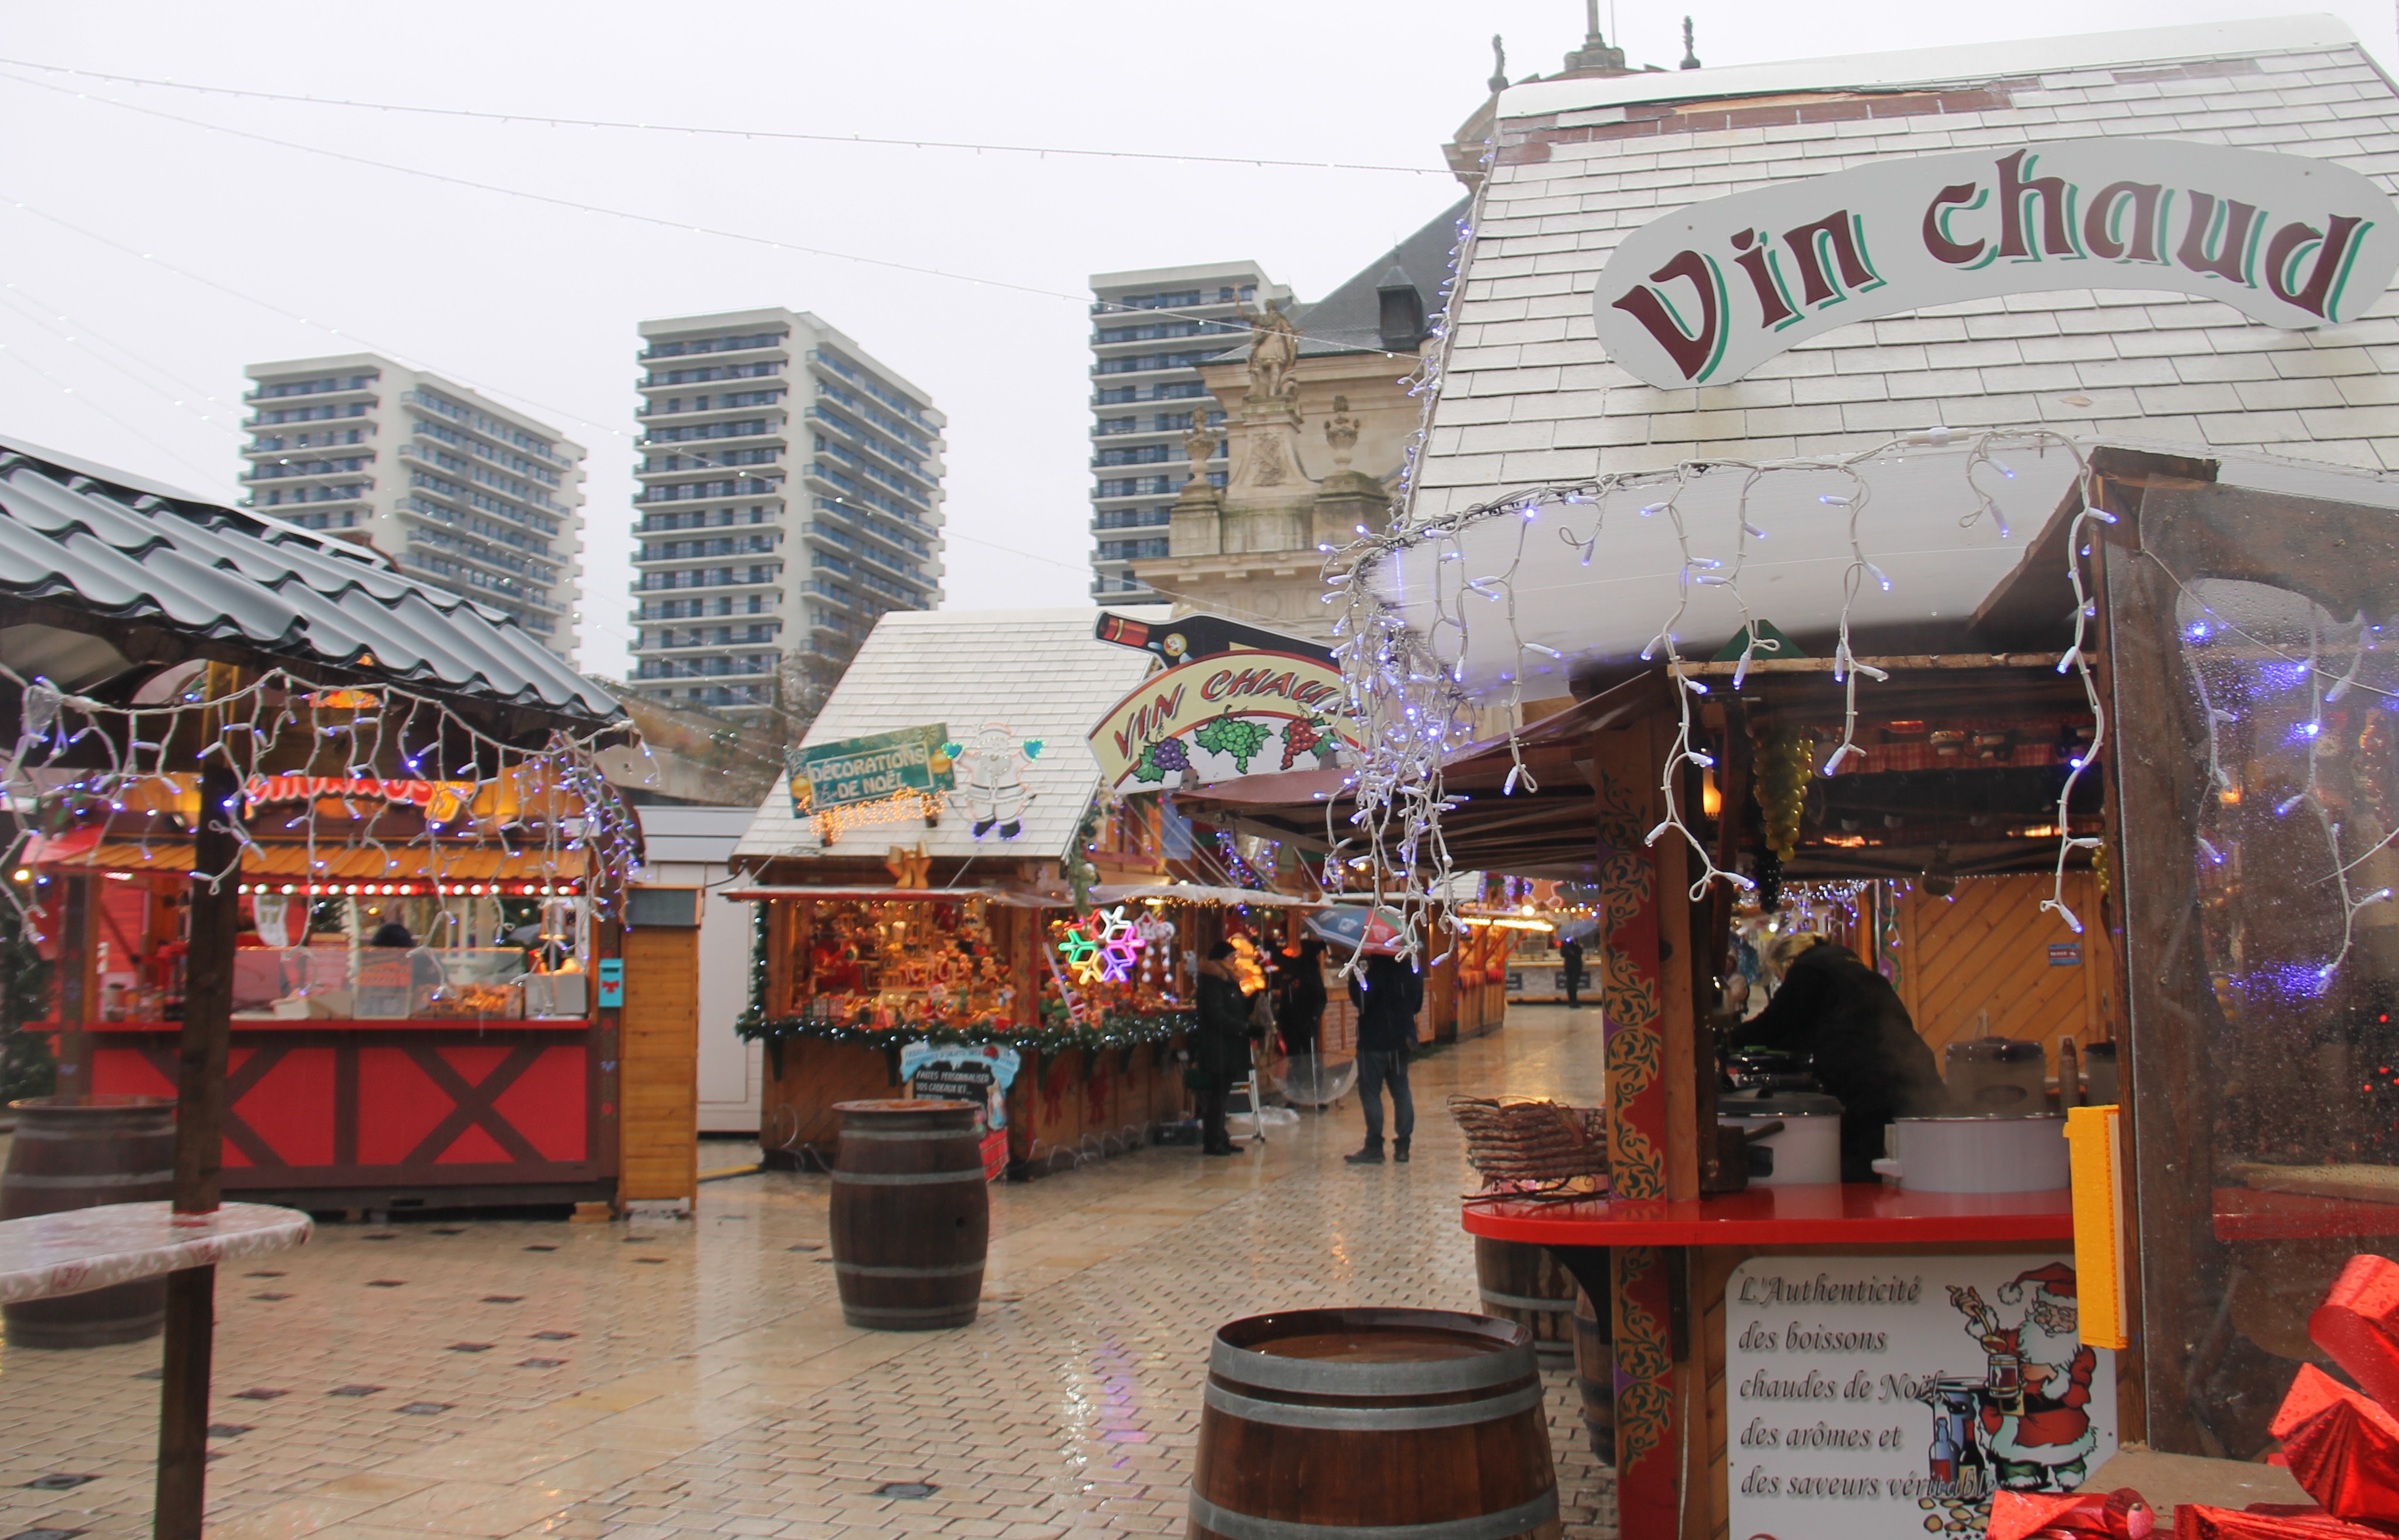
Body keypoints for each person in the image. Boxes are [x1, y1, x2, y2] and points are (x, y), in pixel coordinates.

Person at [1739, 930, 1942, 1182]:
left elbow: (1774, 1025)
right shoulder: (1853, 970)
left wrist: (1725, 1039)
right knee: (1916, 1168)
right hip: (1914, 1074)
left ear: (1786, 963)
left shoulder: (1808, 970)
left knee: (1862, 1170)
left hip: (1866, 1084)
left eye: (1780, 976)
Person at [1345, 951, 1423, 1165]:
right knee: (1401, 1091)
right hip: (1402, 1041)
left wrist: (1354, 975)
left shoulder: (1373, 973)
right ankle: (1403, 1147)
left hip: (1374, 1042)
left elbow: (1361, 1000)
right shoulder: (1413, 970)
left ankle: (1374, 1146)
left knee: (1371, 1093)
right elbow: (1417, 1005)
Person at [1191, 940, 1257, 1156]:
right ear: (1220, 959)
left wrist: (1251, 1001)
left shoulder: (1229, 979)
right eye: (1231, 957)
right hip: (1218, 1045)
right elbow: (1216, 1014)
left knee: (1223, 1094)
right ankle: (1213, 1140)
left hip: (1229, 1045)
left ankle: (1221, 1136)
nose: (1234, 961)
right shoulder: (1213, 981)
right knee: (1218, 1095)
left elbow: (1235, 1007)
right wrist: (1243, 1028)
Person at [1275, 937, 1328, 1062]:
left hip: (1306, 1023)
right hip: (1291, 1023)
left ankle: (1310, 1075)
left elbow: (1321, 998)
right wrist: (1282, 1019)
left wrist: (1313, 1017)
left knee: (1309, 1057)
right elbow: (1286, 995)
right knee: (1295, 1058)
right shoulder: (1291, 967)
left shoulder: (1311, 972)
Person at [1557, 934, 1586, 1008]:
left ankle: (1573, 1001)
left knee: (1572, 984)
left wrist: (1575, 944)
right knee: (1572, 984)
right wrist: (1572, 945)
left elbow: (1579, 952)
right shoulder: (1568, 945)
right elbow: (1563, 954)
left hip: (1571, 966)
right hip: (1573, 966)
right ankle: (1573, 1001)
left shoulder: (1574, 944)